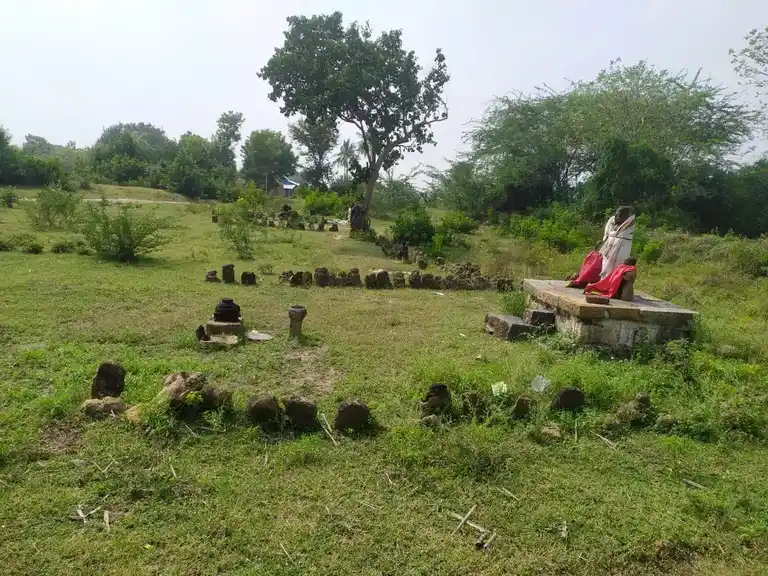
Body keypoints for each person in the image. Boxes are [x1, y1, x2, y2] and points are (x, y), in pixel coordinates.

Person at [597, 206, 635, 279]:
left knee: (617, 267)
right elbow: (608, 234)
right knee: (605, 265)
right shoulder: (613, 223)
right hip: (609, 249)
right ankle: (603, 282)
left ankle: (614, 283)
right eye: (616, 214)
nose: (616, 217)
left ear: (626, 216)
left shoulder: (629, 226)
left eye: (620, 215)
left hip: (621, 249)